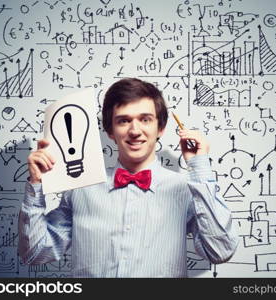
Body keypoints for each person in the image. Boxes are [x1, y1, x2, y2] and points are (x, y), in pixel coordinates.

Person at [19, 78, 238, 277]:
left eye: (145, 119)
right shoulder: (81, 188)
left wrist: (198, 166)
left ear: (160, 127)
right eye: (124, 121)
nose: (135, 130)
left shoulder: (185, 189)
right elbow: (35, 254)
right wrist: (36, 185)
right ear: (110, 131)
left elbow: (220, 251)